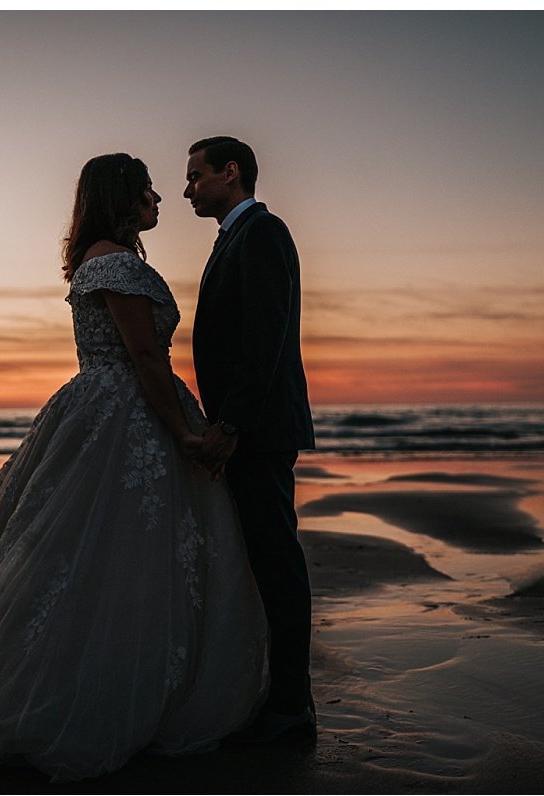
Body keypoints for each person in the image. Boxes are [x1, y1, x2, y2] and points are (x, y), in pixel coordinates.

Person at [0, 153, 267, 782]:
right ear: (120, 198)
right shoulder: (114, 262)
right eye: (147, 191)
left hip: (99, 406)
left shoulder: (106, 258)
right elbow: (144, 358)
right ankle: (93, 693)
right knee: (116, 552)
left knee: (83, 549)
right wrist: (184, 434)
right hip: (127, 413)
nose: (159, 199)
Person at [184, 136, 316, 743]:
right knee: (259, 559)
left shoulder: (263, 233)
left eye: (196, 176)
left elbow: (264, 342)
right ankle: (270, 690)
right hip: (248, 426)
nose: (188, 188)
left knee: (276, 562)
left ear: (230, 174)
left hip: (258, 431)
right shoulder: (234, 238)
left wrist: (232, 425)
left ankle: (291, 705)